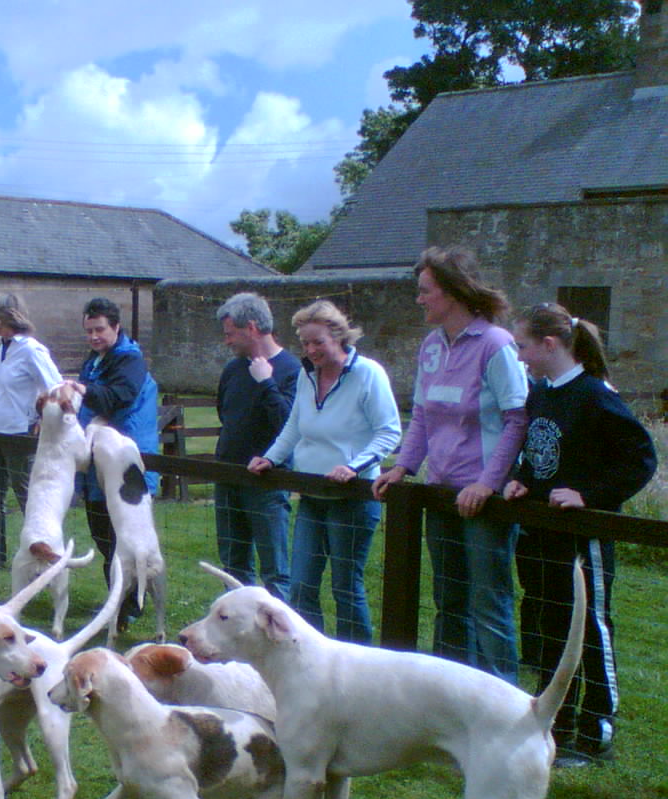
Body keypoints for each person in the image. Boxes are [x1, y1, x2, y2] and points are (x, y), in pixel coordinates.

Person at [505, 303, 656, 767]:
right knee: (549, 626)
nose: (521, 356)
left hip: (582, 540)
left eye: (524, 346)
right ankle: (556, 721)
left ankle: (598, 728)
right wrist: (524, 478)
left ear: (550, 345)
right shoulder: (542, 395)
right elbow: (543, 452)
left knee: (590, 627)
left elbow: (639, 459)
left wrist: (588, 495)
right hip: (541, 536)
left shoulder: (595, 396)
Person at [373, 246, 527, 682]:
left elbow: (517, 419)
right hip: (440, 495)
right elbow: (421, 414)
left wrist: (487, 484)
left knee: (488, 604)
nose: (419, 299)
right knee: (449, 601)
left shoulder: (496, 346)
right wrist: (403, 467)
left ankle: (506, 704)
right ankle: (454, 699)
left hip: (483, 502)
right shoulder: (431, 346)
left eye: (425, 291)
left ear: (454, 291)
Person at [248, 300, 400, 642]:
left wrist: (354, 466)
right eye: (305, 343)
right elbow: (295, 424)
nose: (311, 350)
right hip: (313, 494)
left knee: (345, 587)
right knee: (301, 585)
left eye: (318, 342)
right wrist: (270, 458)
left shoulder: (367, 374)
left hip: (353, 497)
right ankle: (310, 656)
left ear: (339, 338)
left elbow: (389, 431)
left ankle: (359, 663)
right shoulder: (307, 374)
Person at [75, 297, 158, 628]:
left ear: (116, 327)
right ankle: (119, 601)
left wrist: (81, 389)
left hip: (125, 466)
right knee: (103, 537)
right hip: (99, 463)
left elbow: (115, 398)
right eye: (89, 331)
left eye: (100, 330)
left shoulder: (129, 362)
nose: (94, 337)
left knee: (126, 539)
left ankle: (127, 608)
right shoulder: (96, 360)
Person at [214, 292, 299, 599]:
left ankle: (278, 636)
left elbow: (288, 423)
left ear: (251, 328)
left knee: (275, 569)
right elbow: (225, 412)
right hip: (228, 478)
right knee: (233, 565)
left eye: (230, 334)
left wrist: (266, 383)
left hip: (267, 484)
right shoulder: (233, 369)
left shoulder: (291, 369)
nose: (227, 342)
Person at [0, 293, 62, 569]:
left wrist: (39, 415)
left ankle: (41, 552)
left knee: (27, 496)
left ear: (4, 317)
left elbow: (55, 385)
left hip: (18, 434)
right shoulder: (3, 348)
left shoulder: (30, 350)